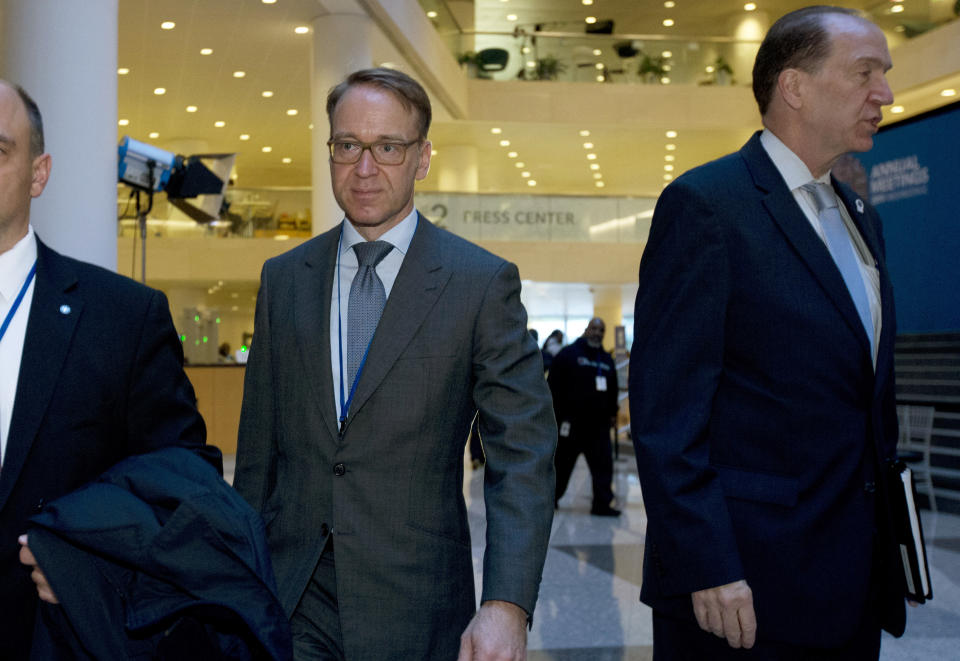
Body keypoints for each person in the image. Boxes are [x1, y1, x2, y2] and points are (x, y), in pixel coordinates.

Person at [234, 68, 557, 661]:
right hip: (292, 597)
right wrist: (239, 588)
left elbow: (523, 454)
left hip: (417, 606)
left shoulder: (479, 283)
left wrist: (506, 604)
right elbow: (258, 458)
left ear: (423, 158)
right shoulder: (284, 280)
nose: (364, 167)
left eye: (387, 147)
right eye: (347, 145)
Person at [629, 7, 909, 658]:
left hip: (850, 582)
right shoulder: (706, 207)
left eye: (885, 75)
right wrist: (707, 563)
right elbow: (667, 418)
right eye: (865, 72)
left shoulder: (860, 217)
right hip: (741, 589)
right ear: (795, 87)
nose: (885, 93)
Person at [0, 80, 216, 660]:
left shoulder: (120, 318)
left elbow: (185, 479)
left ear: (38, 173)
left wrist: (92, 558)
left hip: (53, 638)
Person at [548, 318, 621, 516]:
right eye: (594, 328)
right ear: (586, 329)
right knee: (562, 465)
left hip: (599, 427)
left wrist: (613, 413)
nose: (597, 332)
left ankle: (602, 504)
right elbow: (553, 386)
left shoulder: (606, 359)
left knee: (604, 467)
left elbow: (612, 388)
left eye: (601, 329)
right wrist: (557, 416)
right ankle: (549, 500)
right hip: (572, 425)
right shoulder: (569, 355)